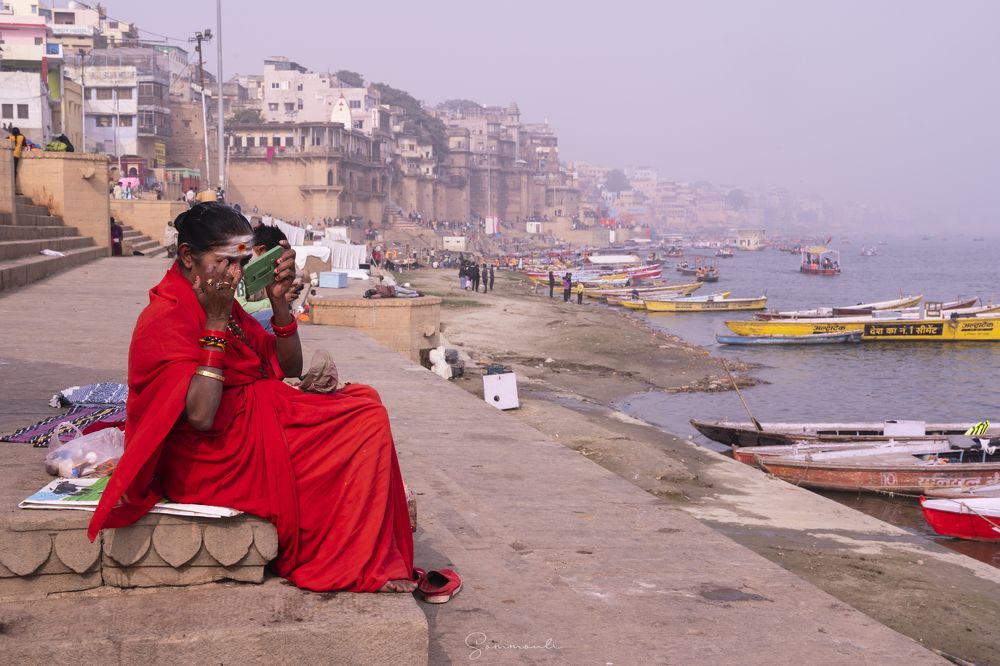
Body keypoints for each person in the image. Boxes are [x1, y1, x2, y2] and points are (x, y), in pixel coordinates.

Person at [87, 202, 428, 596]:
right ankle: (356, 559)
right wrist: (215, 324)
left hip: (251, 424)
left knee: (365, 401)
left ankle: (364, 548)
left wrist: (279, 304)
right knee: (364, 421)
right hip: (209, 457)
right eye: (226, 261)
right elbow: (200, 415)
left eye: (242, 262)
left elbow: (289, 366)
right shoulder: (166, 316)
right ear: (188, 256)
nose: (235, 273)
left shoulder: (220, 299)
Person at [236, 224, 302, 333]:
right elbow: (241, 306)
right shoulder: (240, 265)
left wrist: (282, 295)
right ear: (261, 249)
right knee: (274, 317)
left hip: (246, 322)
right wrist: (273, 302)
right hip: (233, 324)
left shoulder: (261, 271)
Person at [7, 127, 25, 194]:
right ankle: (14, 189)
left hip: (10, 155)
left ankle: (12, 189)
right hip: (16, 156)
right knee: (14, 171)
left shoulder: (10, 137)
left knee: (11, 171)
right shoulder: (22, 137)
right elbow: (23, 146)